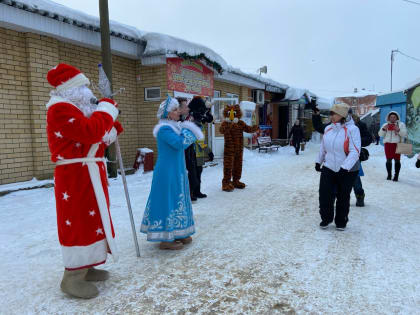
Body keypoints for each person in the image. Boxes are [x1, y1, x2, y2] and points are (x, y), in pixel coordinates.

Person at [46, 63, 122, 299]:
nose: (89, 94)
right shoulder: (59, 110)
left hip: (89, 173)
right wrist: (107, 109)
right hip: (75, 177)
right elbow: (89, 132)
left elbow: (97, 138)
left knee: (94, 219)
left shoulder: (78, 111)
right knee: (77, 221)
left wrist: (111, 123)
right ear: (71, 91)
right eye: (84, 88)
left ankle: (87, 266)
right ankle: (72, 277)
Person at [140, 96, 203, 250]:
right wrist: (192, 130)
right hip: (166, 171)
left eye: (177, 109)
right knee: (168, 200)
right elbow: (179, 143)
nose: (178, 112)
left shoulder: (175, 127)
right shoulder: (164, 129)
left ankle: (180, 232)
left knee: (178, 198)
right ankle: (165, 239)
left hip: (177, 170)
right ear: (167, 114)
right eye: (175, 110)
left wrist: (190, 127)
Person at [315, 103, 361, 231]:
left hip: (347, 169)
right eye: (331, 113)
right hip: (329, 167)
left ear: (343, 115)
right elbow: (323, 147)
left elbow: (355, 151)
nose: (332, 116)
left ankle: (341, 221)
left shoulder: (352, 130)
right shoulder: (328, 129)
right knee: (324, 193)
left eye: (334, 113)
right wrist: (319, 161)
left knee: (343, 195)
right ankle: (326, 218)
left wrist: (345, 167)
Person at [313, 107, 370, 207]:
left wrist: (355, 141)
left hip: (352, 158)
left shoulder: (358, 125)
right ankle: (336, 197)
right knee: (335, 179)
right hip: (336, 159)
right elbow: (319, 127)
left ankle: (360, 195)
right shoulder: (334, 125)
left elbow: (369, 138)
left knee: (355, 180)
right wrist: (316, 116)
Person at [378, 111, 407, 181]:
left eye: (394, 117)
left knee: (397, 160)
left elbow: (405, 134)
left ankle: (396, 176)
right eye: (391, 117)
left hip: (397, 144)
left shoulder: (401, 124)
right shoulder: (385, 124)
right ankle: (389, 175)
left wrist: (398, 129)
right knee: (388, 160)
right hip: (388, 144)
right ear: (388, 117)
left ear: (397, 117)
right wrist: (383, 129)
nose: (392, 118)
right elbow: (380, 135)